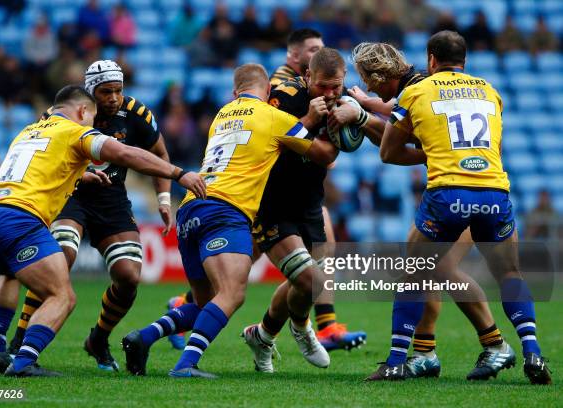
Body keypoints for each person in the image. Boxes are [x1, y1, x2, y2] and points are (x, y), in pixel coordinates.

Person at [0, 84, 205, 377]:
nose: (92, 124)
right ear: (82, 110)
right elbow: (124, 153)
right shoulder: (75, 131)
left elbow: (38, 166)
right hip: (17, 219)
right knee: (62, 295)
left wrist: (83, 174)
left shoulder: (29, 130)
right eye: (91, 118)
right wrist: (178, 173)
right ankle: (23, 359)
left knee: (9, 273)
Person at [121, 63, 340, 378]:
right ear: (267, 93)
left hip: (191, 207)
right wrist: (317, 118)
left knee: (205, 302)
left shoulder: (221, 116)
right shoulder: (272, 116)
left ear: (235, 93)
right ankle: (186, 365)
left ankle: (144, 336)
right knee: (232, 294)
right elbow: (318, 150)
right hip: (226, 210)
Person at [365, 31, 551, 385]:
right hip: (494, 193)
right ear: (464, 59)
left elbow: (388, 153)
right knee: (510, 275)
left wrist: (368, 119)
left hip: (448, 195)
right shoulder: (491, 92)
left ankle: (395, 360)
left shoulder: (416, 92)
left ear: (431, 59)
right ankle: (532, 351)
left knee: (415, 272)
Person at [6, 60, 173, 372]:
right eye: (105, 91)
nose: (113, 98)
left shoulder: (137, 113)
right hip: (72, 194)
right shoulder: (69, 112)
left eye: (118, 91)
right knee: (61, 257)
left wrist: (163, 198)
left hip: (111, 199)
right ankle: (21, 339)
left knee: (128, 276)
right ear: (90, 92)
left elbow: (159, 153)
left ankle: (99, 337)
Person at [242, 47, 383, 372]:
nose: (330, 93)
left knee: (303, 282)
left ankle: (261, 336)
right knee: (311, 280)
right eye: (322, 86)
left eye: (336, 86)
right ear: (307, 78)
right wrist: (309, 119)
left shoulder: (345, 101)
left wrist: (360, 116)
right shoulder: (284, 98)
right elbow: (288, 147)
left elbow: (385, 139)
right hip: (271, 204)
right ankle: (303, 329)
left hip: (309, 204)